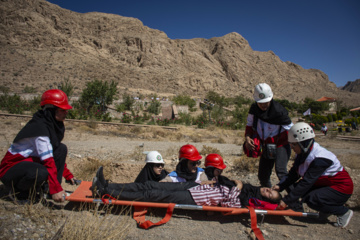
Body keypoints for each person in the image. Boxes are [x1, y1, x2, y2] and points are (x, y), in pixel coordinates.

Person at [0, 89, 77, 203]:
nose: (66, 112)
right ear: (51, 110)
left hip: (29, 164)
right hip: (10, 170)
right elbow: (48, 160)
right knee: (39, 172)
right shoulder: (39, 128)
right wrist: (56, 188)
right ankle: (19, 193)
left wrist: (67, 175)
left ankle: (49, 190)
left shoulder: (50, 125)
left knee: (61, 148)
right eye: (62, 110)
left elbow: (54, 153)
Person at [92, 164, 282, 209]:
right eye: (271, 190)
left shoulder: (249, 200)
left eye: (270, 195)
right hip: (196, 187)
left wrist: (236, 187)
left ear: (265, 200)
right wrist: (233, 184)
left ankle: (106, 192)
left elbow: (230, 203)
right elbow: (224, 182)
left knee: (152, 194)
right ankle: (108, 185)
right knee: (150, 184)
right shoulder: (251, 188)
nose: (268, 191)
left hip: (197, 198)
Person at [273, 122, 354, 228]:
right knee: (295, 189)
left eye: (294, 144)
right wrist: (280, 186)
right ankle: (326, 209)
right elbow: (293, 174)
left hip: (341, 189)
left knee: (312, 199)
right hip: (324, 185)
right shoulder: (303, 153)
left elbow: (307, 182)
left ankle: (343, 212)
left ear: (303, 143)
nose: (292, 147)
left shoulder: (320, 158)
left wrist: (286, 200)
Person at [244, 83, 293, 188]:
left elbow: (292, 131)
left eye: (266, 102)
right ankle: (267, 198)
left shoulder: (279, 112)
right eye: (260, 103)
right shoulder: (254, 110)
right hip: (266, 145)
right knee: (263, 175)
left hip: (281, 144)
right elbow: (249, 125)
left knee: (281, 171)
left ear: (271, 99)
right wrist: (248, 138)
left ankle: (293, 200)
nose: (263, 105)